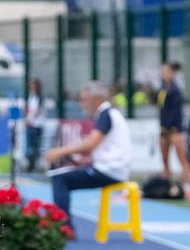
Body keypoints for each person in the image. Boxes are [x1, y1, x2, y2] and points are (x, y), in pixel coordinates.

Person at [44, 81, 131, 231]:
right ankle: (63, 224)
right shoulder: (110, 113)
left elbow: (90, 144)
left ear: (95, 99)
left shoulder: (106, 114)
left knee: (60, 179)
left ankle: (65, 227)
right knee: (64, 175)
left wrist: (60, 151)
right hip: (111, 168)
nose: (81, 104)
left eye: (83, 99)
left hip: (109, 170)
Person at [158, 61, 190, 199]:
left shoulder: (176, 90)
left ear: (172, 73)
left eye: (165, 71)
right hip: (164, 130)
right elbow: (162, 110)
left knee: (182, 159)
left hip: (174, 130)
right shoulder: (163, 89)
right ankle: (166, 187)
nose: (163, 74)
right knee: (165, 160)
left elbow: (175, 112)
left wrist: (171, 127)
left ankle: (187, 188)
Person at [25, 78, 45, 172]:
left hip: (36, 124)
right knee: (29, 145)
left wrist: (29, 119)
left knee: (35, 146)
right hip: (30, 124)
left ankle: (35, 165)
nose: (32, 86)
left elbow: (36, 111)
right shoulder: (31, 96)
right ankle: (30, 164)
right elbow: (28, 109)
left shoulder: (39, 97)